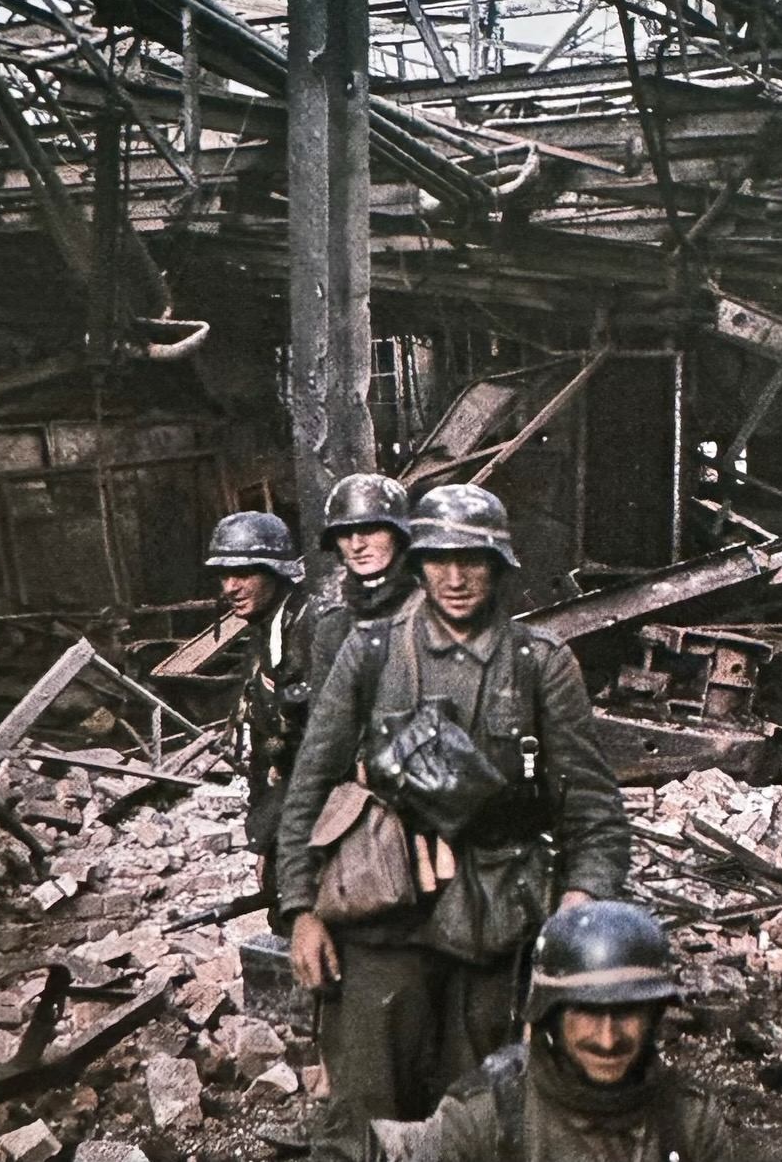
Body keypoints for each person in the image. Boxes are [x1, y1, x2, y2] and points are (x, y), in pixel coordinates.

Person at [276, 483, 632, 1159]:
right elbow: (310, 785)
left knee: (481, 1115)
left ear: (499, 566)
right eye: (439, 558)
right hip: (383, 914)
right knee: (366, 1116)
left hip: (496, 921)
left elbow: (593, 806)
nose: (456, 577)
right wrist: (301, 909)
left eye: (473, 559)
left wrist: (580, 903)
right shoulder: (371, 651)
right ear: (418, 563)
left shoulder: (539, 663)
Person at [368, 900, 729, 1162]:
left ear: (654, 1015)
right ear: (551, 1016)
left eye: (626, 1012)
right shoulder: (489, 1115)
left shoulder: (689, 1120)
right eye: (587, 1012)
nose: (608, 1039)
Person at [205, 510, 312, 933]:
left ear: (276, 571)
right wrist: (266, 839)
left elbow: (318, 748)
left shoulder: (308, 627)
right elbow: (266, 746)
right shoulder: (265, 631)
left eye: (244, 573)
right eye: (224, 575)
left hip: (318, 817)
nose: (230, 587)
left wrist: (288, 841)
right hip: (287, 812)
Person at [311, 473, 416, 689]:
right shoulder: (333, 630)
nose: (357, 545)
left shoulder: (435, 612)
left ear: (398, 535)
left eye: (369, 529)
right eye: (344, 533)